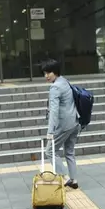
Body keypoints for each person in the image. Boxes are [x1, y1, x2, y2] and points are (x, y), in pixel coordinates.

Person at [42, 59, 80, 189]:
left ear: (56, 72)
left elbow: (54, 111)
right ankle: (74, 180)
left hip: (64, 124)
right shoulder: (64, 81)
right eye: (45, 73)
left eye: (49, 73)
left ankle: (65, 177)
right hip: (75, 121)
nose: (46, 76)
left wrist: (50, 131)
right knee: (69, 152)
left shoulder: (55, 87)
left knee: (50, 151)